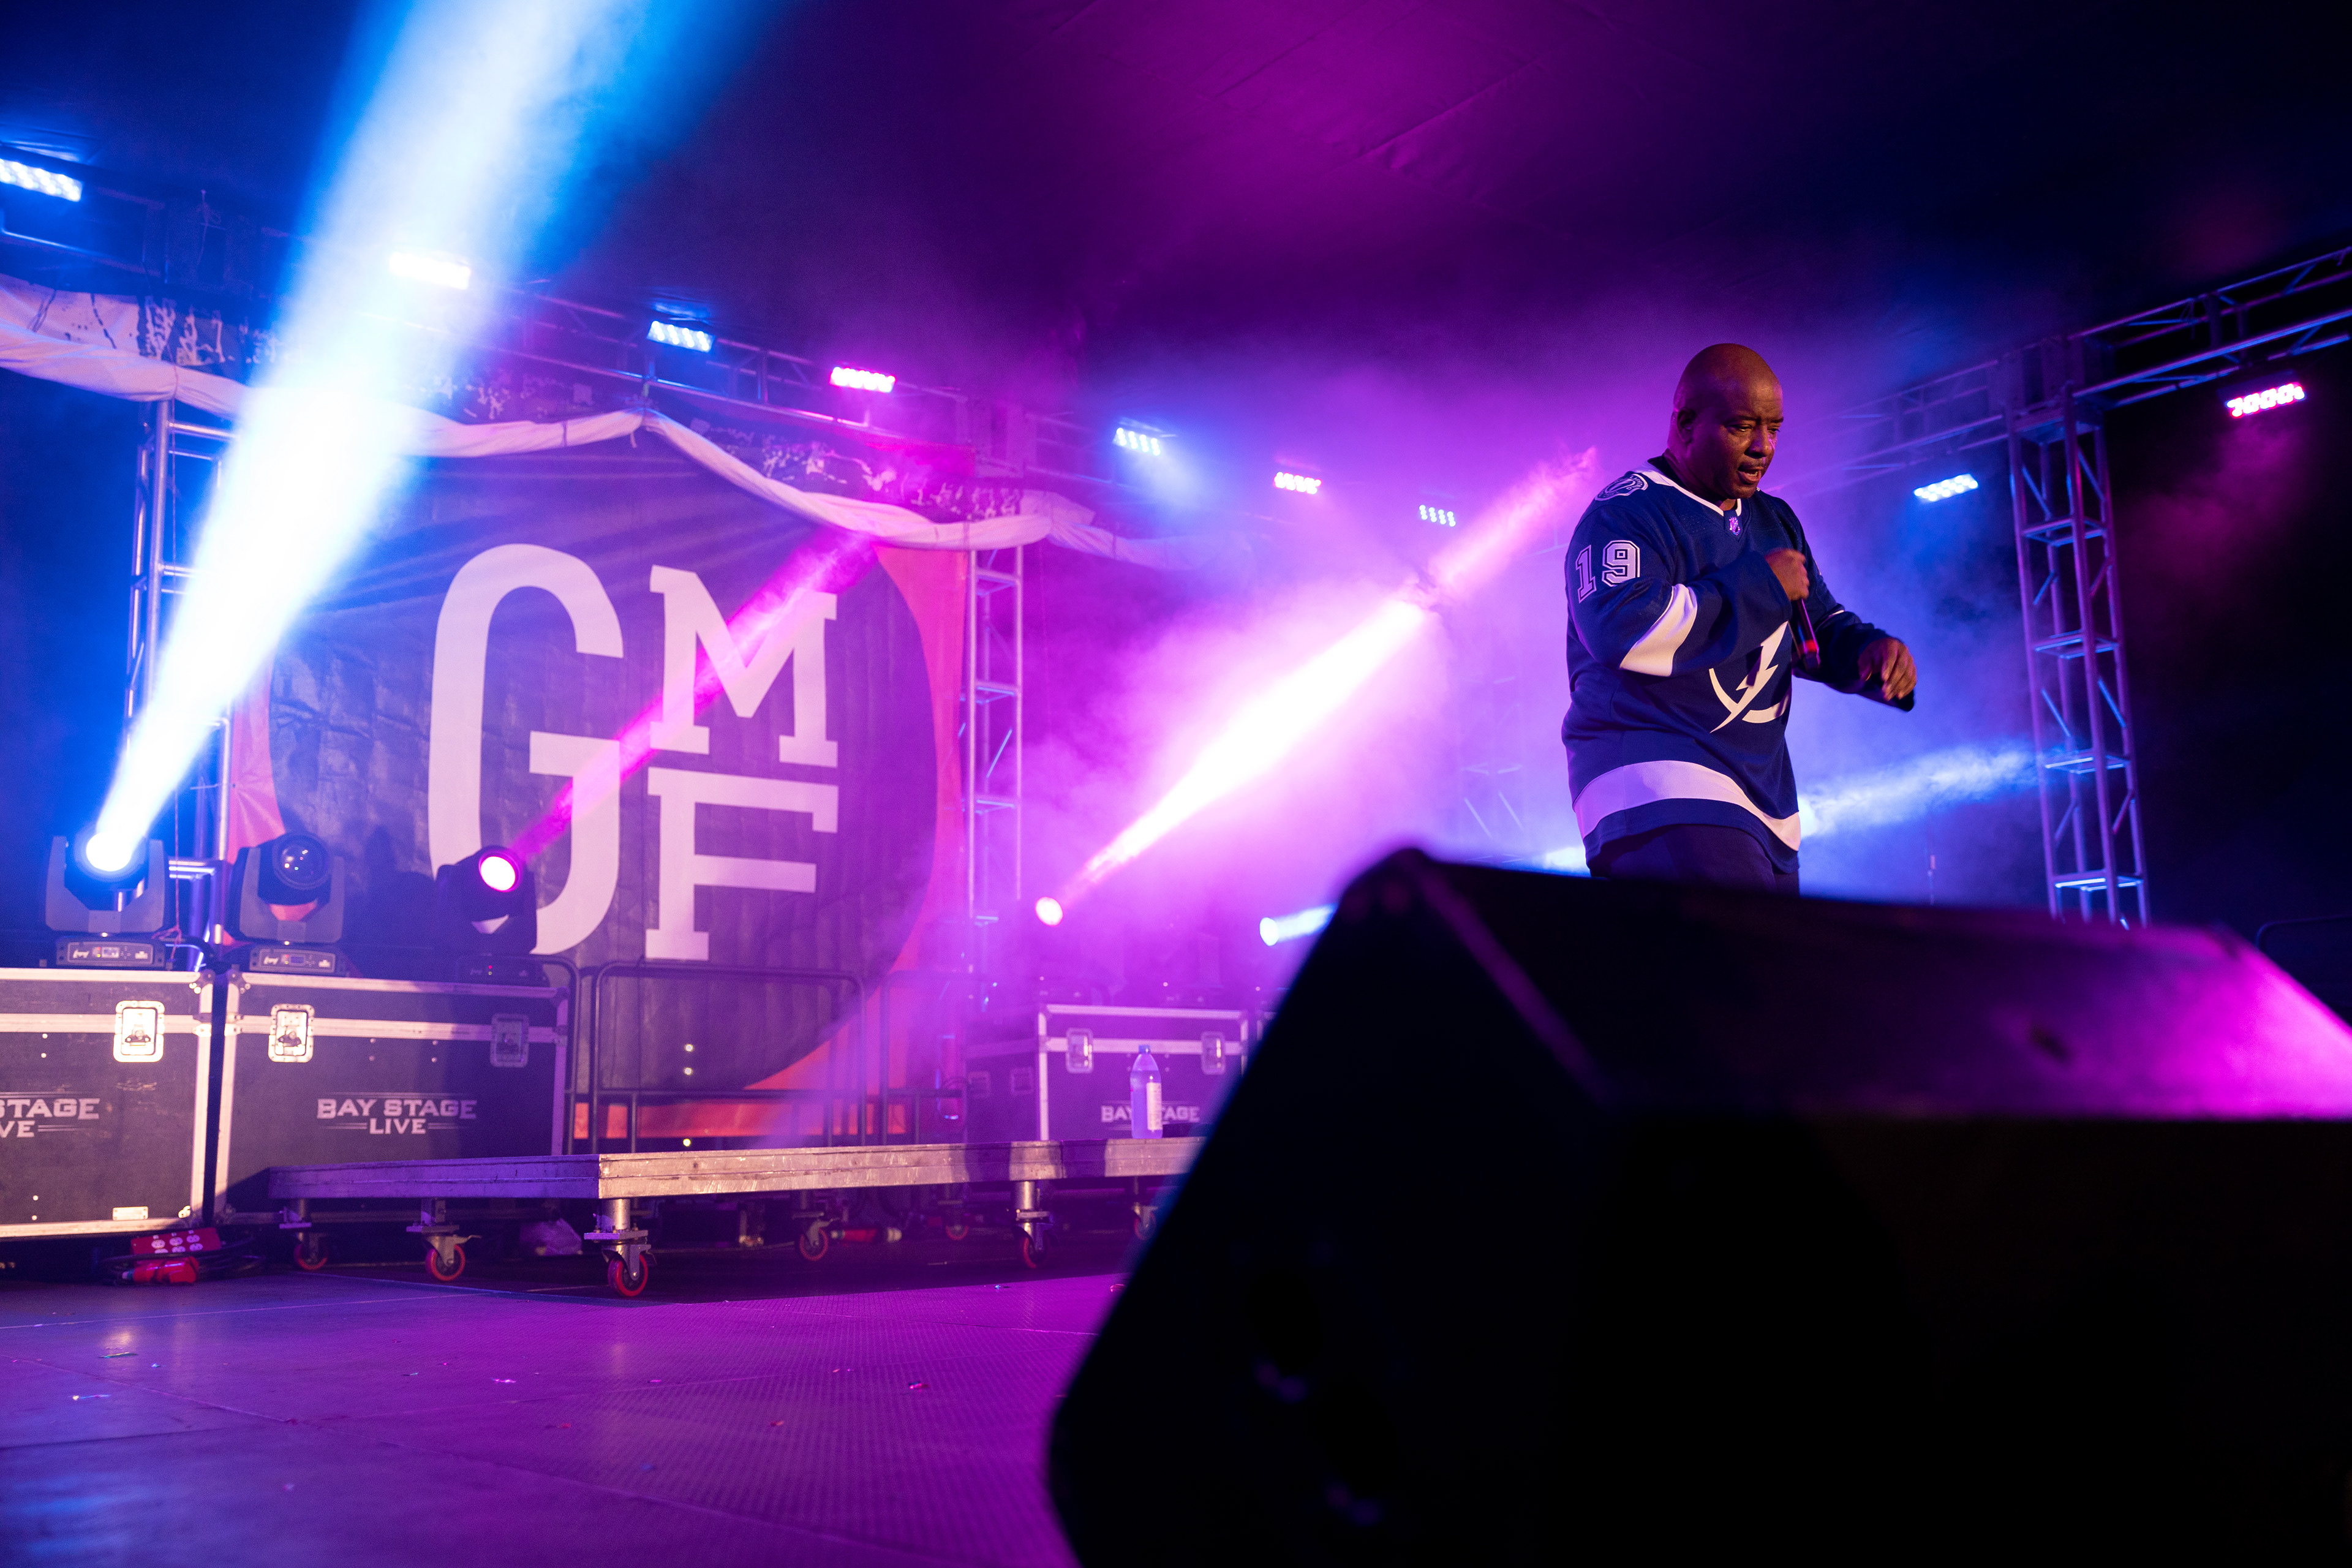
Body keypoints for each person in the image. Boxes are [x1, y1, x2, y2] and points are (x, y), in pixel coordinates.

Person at [1561, 344, 1915, 893]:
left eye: (1774, 429)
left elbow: (1815, 629)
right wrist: (1762, 586)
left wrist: (1869, 653)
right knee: (1741, 945)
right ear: (1686, 423)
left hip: (1761, 797)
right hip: (1656, 776)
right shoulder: (1628, 510)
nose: (1763, 447)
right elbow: (1623, 629)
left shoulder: (1775, 519)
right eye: (1741, 427)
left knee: (1766, 949)